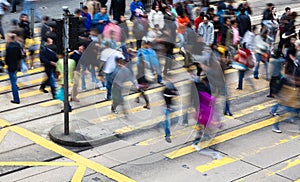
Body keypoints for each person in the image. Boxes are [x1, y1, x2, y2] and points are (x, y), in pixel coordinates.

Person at [5, 33, 23, 104]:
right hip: (17, 65)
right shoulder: (18, 45)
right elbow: (20, 56)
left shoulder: (9, 47)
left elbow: (7, 59)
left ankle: (16, 99)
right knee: (14, 78)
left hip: (11, 66)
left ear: (9, 39)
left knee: (13, 83)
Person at [162, 76, 178, 143]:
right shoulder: (167, 90)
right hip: (167, 107)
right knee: (167, 122)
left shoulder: (171, 86)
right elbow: (174, 94)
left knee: (169, 121)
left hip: (170, 106)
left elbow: (176, 92)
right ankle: (167, 136)